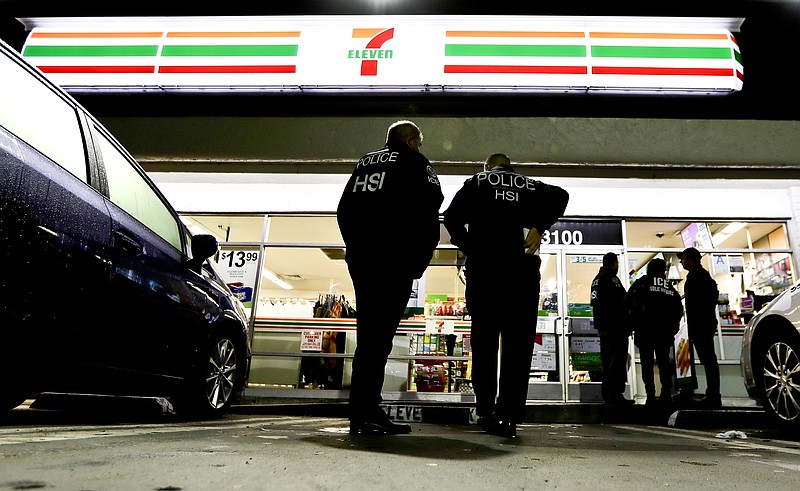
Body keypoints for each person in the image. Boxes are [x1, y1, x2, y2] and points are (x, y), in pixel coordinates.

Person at [443, 153, 569, 438]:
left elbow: (450, 218)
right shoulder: (528, 184)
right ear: (510, 167)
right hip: (520, 275)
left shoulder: (477, 182)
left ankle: (486, 411)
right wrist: (540, 227)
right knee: (518, 347)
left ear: (487, 167)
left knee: (485, 344)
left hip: (485, 274)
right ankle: (509, 415)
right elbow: (561, 195)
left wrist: (469, 245)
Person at [337, 120, 444, 435]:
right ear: (411, 140)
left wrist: (355, 248)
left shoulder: (366, 163)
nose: (420, 148)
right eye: (419, 142)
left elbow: (344, 210)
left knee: (369, 338)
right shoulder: (415, 162)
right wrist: (417, 263)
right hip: (395, 262)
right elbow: (430, 211)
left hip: (363, 261)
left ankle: (364, 411)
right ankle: (366, 413)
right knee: (378, 340)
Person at [624, 258, 684, 408]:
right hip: (664, 332)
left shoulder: (642, 283)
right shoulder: (669, 287)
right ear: (663, 271)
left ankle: (650, 394)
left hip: (645, 331)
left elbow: (627, 301)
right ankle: (666, 393)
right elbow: (678, 309)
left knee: (647, 363)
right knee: (664, 362)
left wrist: (632, 323)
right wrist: (673, 327)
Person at [679, 247, 721, 408]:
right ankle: (712, 393)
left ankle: (713, 394)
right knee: (708, 359)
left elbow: (704, 301)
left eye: (683, 258)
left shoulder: (699, 276)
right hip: (701, 324)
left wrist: (698, 321)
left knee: (708, 359)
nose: (682, 262)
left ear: (691, 259)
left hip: (701, 324)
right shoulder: (699, 276)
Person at [590, 252, 633, 406]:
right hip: (615, 327)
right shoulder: (611, 279)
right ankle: (615, 394)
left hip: (604, 327)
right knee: (617, 360)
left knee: (608, 360)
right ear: (614, 263)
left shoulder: (596, 279)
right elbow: (622, 302)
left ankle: (608, 393)